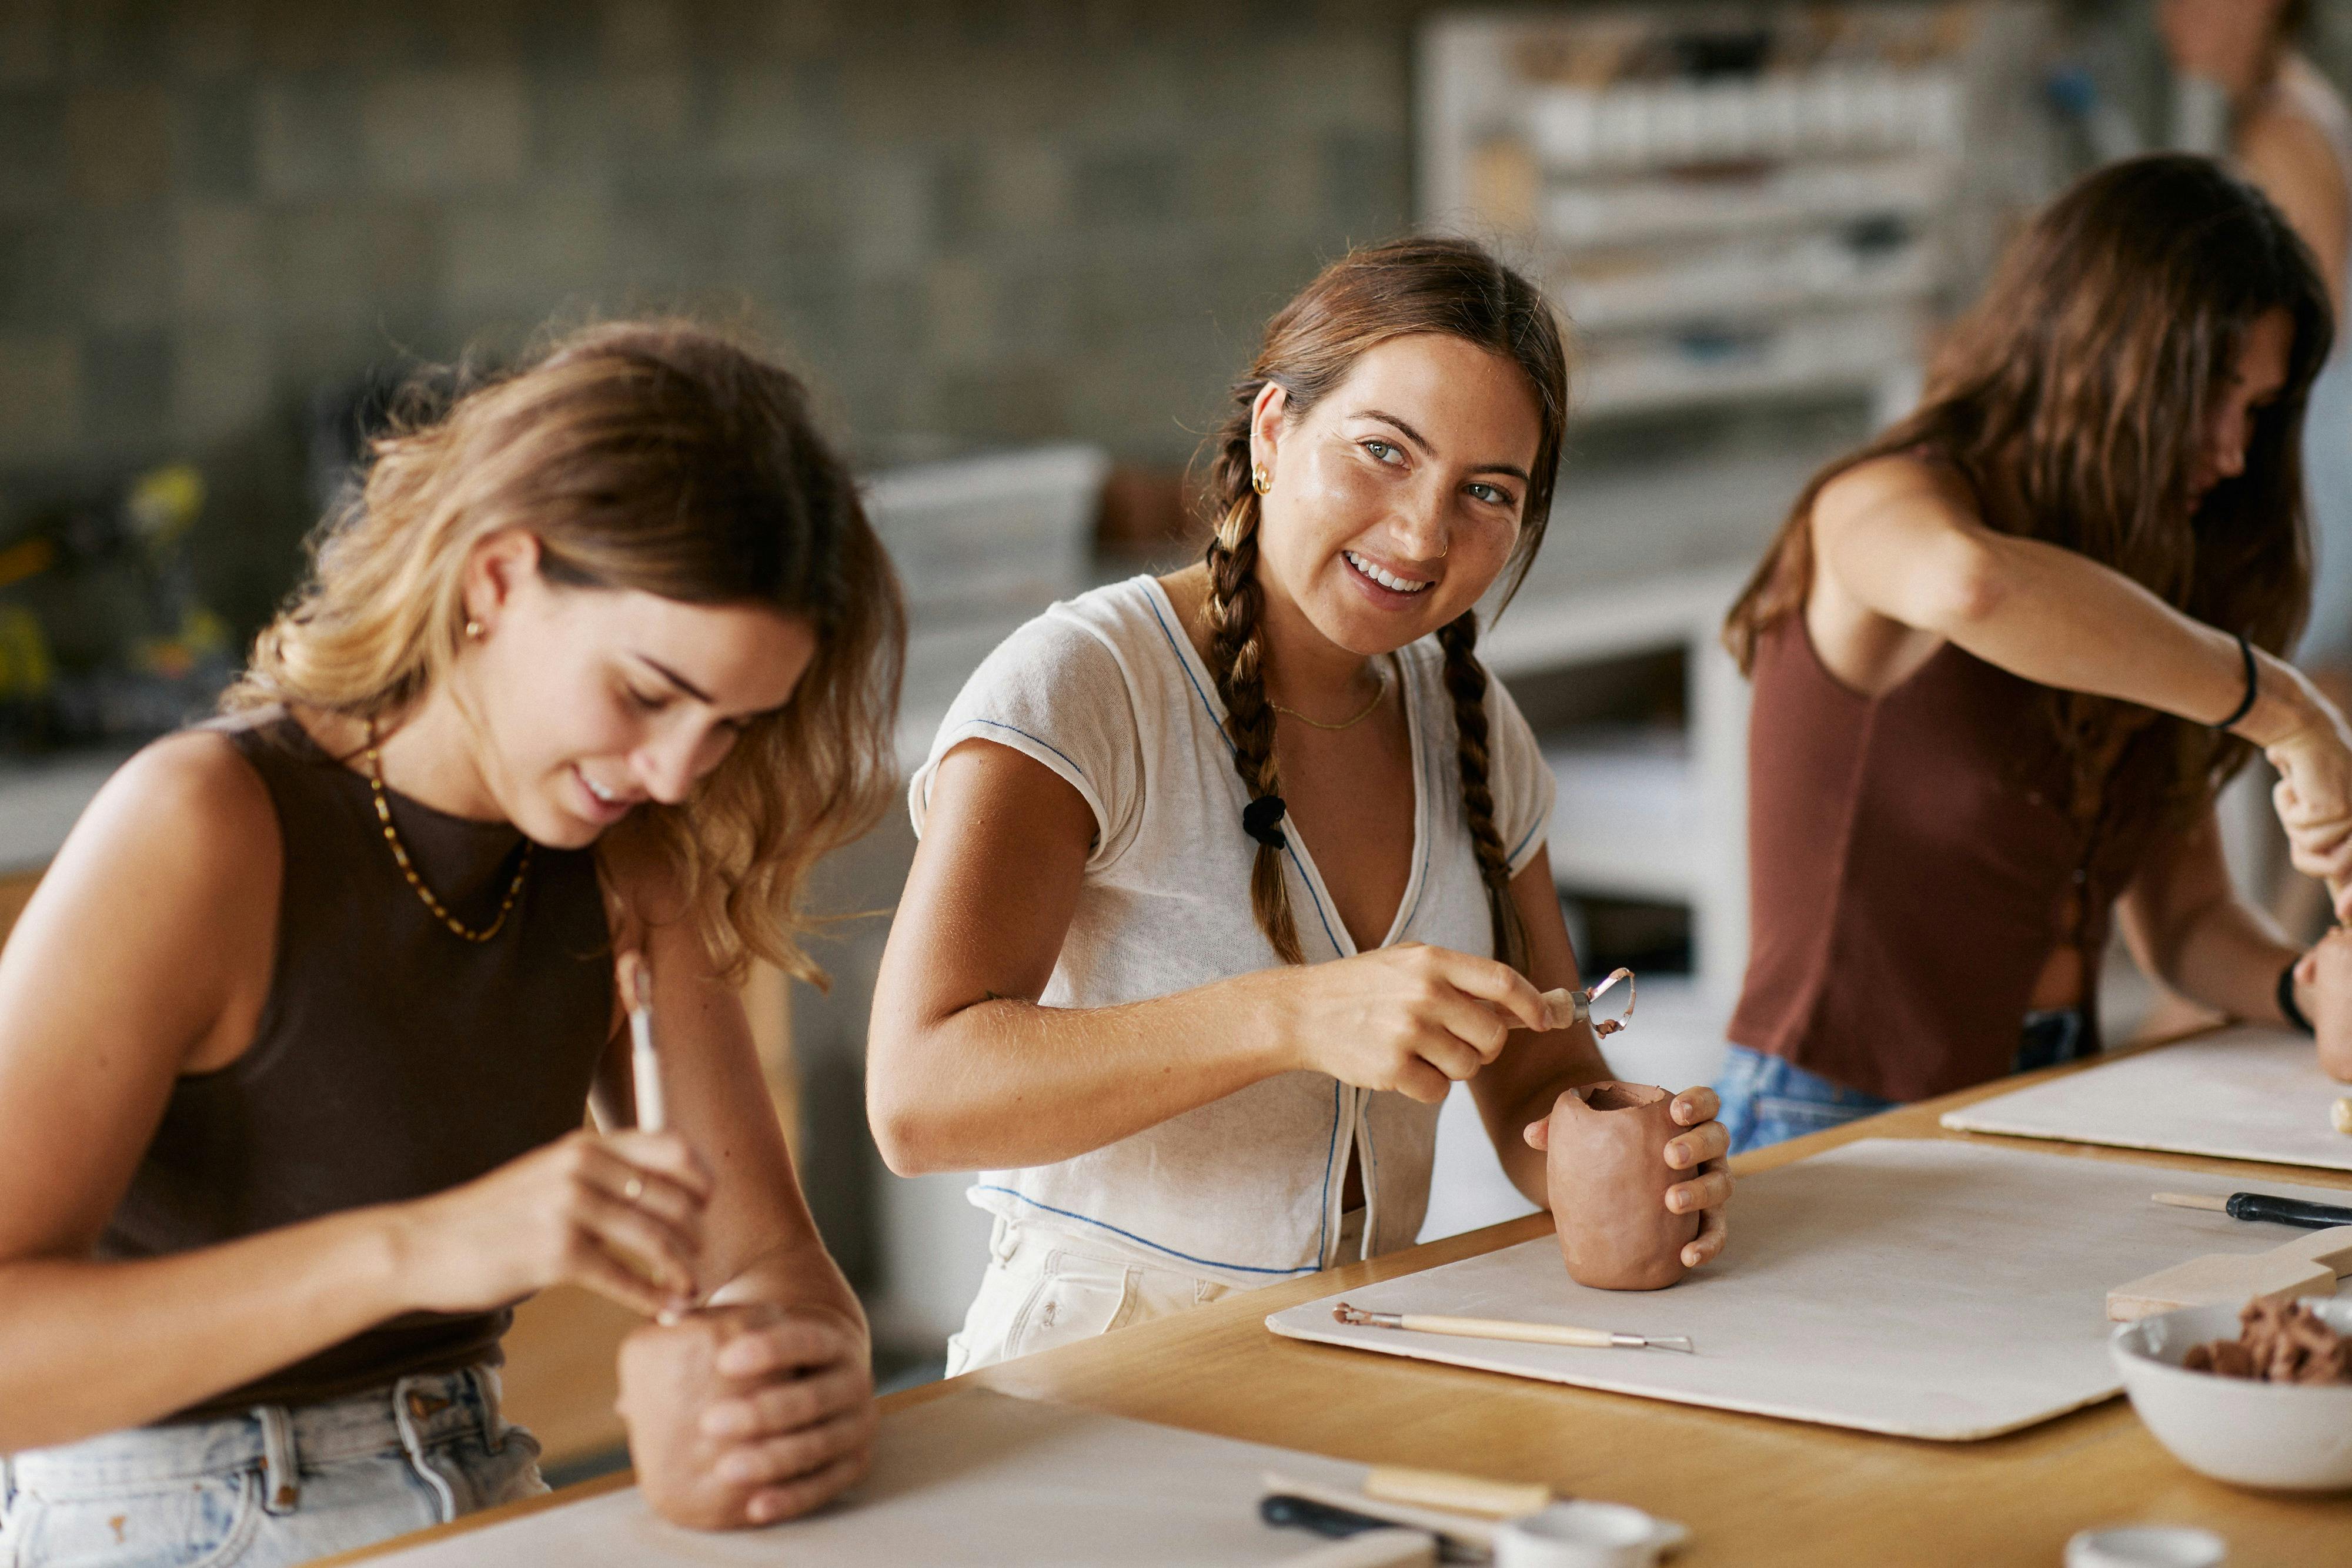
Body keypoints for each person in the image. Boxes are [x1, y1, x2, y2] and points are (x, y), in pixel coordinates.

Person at [0, 322, 903, 1562]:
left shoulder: (629, 856)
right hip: (155, 1517)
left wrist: (765, 1392)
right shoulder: (204, 826)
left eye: (731, 725)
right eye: (646, 692)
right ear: (493, 582)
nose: (673, 769)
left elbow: (768, 1265)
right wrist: (419, 1247)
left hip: (480, 1491)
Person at [866, 237, 1732, 1375]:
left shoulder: (1470, 723)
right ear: (1272, 430)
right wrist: (1291, 1015)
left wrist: (1624, 1148)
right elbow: (919, 1096)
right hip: (1089, 1376)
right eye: (1382, 452)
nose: (1423, 533)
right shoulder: (1083, 685)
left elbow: (1538, 1077)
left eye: (1485, 492)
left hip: (1359, 1357)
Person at [1713, 155, 2352, 1155]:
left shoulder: (2142, 604)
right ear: (2099, 355)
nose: (2234, 451)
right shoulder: (1884, 505)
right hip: (1830, 1119)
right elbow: (1974, 585)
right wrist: (2289, 712)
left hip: (2052, 1099)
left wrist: (2305, 987)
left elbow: (2185, 921)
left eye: (2260, 413)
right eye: (2211, 395)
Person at [2161, 0, 2352, 937]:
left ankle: (2288, 961)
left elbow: (2299, 330)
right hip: (2317, 440)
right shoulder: (2294, 110)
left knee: (2311, 708)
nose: (2173, 19)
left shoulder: (2281, 127)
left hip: (2319, 450)